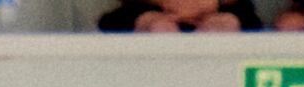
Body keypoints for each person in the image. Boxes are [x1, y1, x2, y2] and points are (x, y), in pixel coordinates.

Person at [99, 0, 254, 25]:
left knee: (225, 24)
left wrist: (209, 4)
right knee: (157, 26)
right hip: (150, 9)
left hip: (219, 9)